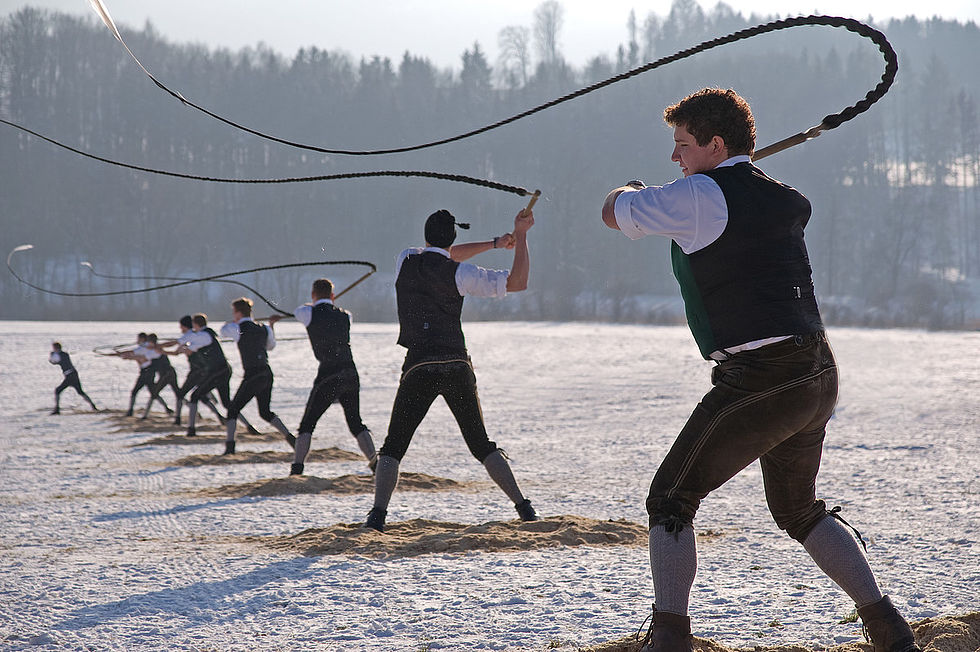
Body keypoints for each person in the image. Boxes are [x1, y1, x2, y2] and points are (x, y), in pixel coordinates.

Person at [600, 88, 920, 652]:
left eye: (682, 146)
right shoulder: (775, 196)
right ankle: (888, 628)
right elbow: (738, 203)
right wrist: (722, 178)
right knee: (798, 508)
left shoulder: (699, 194)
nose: (675, 158)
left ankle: (670, 638)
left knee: (670, 498)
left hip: (762, 377)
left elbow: (611, 212)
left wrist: (629, 188)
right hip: (817, 372)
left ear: (715, 144)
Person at [363, 208, 538, 533]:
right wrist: (520, 236)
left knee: (393, 446)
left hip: (419, 364)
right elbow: (518, 282)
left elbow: (441, 253)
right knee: (481, 444)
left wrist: (497, 242)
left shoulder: (406, 259)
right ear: (452, 239)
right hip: (456, 363)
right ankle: (525, 509)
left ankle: (377, 517)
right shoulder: (462, 273)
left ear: (426, 236)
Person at [290, 278, 376, 476]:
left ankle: (297, 470)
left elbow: (299, 310)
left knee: (307, 424)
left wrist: (315, 304)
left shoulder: (307, 312)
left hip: (328, 373)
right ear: (333, 296)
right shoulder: (346, 315)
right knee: (356, 422)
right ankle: (376, 465)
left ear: (312, 295)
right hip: (350, 372)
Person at [219, 297, 295, 455]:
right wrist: (272, 326)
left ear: (238, 313)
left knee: (232, 410)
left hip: (253, 374)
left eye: (234, 312)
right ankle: (290, 437)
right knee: (265, 412)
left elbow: (223, 332)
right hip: (266, 373)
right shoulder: (264, 328)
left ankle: (230, 447)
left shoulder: (238, 328)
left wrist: (230, 322)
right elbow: (271, 346)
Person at [162, 314, 226, 434]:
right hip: (202, 371)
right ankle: (218, 416)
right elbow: (180, 349)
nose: (180, 329)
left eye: (181, 327)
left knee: (184, 394)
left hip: (198, 371)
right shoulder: (194, 336)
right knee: (201, 397)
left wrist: (159, 348)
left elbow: (180, 350)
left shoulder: (194, 336)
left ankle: (181, 421)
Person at [118, 333, 171, 417]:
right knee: (154, 393)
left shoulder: (144, 348)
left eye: (138, 339)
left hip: (146, 373)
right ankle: (167, 409)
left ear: (142, 339)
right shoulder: (145, 348)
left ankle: (131, 411)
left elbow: (138, 356)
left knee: (135, 391)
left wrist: (123, 355)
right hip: (148, 372)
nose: (137, 341)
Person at [48, 342, 98, 414]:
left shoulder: (62, 355)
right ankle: (93, 406)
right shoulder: (62, 354)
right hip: (72, 374)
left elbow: (55, 361)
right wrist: (52, 356)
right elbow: (54, 362)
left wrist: (52, 355)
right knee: (80, 392)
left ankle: (57, 409)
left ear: (56, 348)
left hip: (70, 375)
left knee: (58, 390)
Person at [139, 334, 181, 420]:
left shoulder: (156, 350)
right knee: (178, 393)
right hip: (171, 373)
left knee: (154, 393)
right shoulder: (155, 349)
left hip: (166, 374)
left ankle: (145, 416)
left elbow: (144, 357)